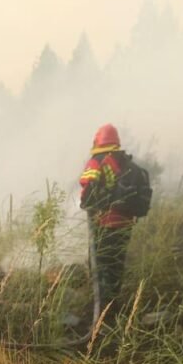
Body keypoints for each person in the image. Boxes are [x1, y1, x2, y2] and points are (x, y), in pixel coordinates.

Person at [79, 124, 149, 323]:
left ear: (97, 141)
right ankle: (114, 306)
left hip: (104, 223)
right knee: (116, 264)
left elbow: (87, 190)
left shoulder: (97, 161)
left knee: (101, 265)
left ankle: (102, 312)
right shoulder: (127, 163)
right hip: (125, 225)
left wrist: (87, 204)